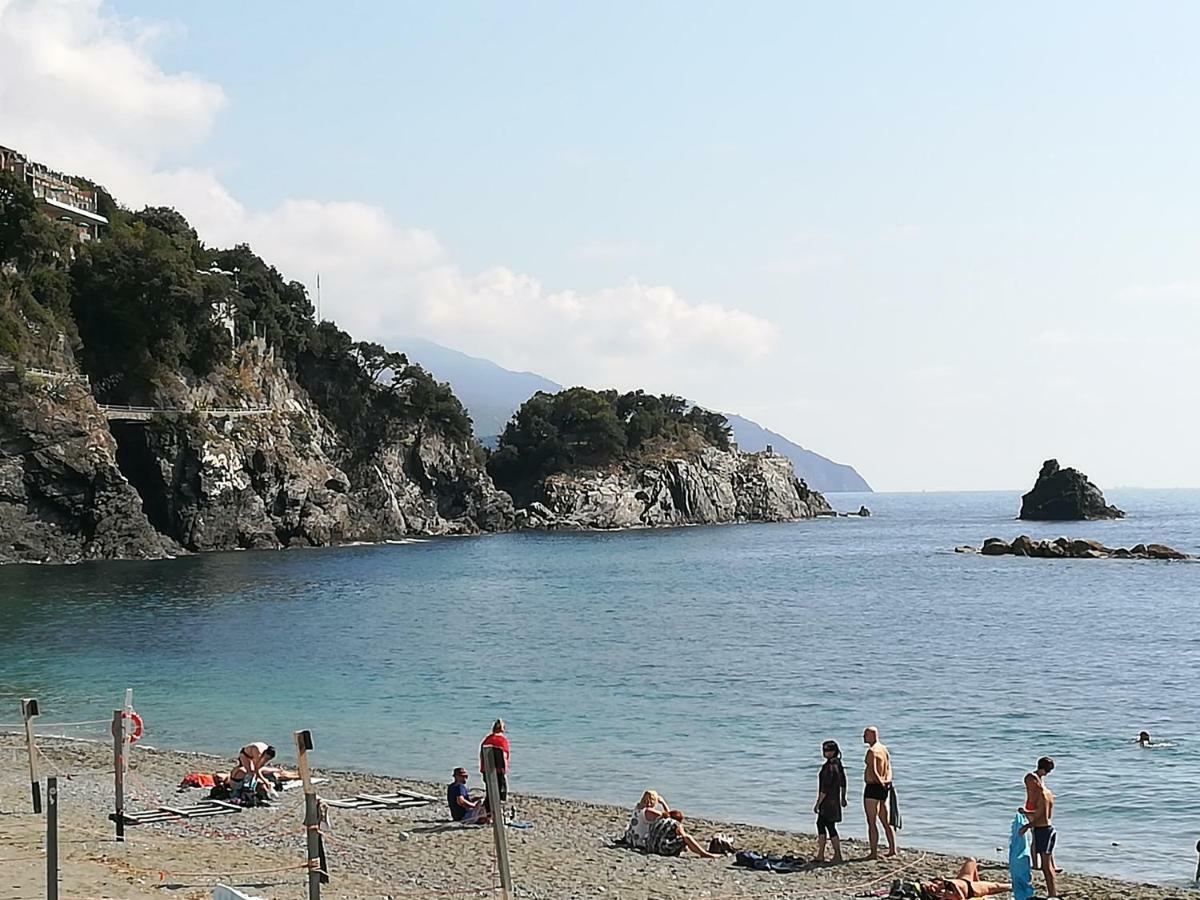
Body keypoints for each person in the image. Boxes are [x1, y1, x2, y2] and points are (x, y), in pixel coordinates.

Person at [1020, 756, 1057, 899]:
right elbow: (1041, 813)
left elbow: (1040, 817)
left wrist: (1026, 826)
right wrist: (1027, 813)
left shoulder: (1042, 793)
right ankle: (1052, 892)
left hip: (1043, 829)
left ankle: (1052, 894)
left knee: (1046, 867)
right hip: (1049, 829)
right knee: (1047, 863)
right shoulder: (1048, 793)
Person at [863, 726, 897, 858]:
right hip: (885, 786)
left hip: (873, 786)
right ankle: (893, 849)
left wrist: (880, 782)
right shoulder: (884, 749)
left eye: (865, 734)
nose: (863, 737)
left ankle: (873, 852)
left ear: (872, 735)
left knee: (871, 821)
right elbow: (888, 767)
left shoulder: (872, 751)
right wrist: (887, 782)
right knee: (885, 819)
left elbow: (873, 770)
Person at [813, 739, 847, 864]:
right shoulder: (838, 764)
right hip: (835, 801)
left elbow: (824, 788)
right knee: (830, 826)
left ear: (833, 751)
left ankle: (823, 854)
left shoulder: (829, 767)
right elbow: (844, 783)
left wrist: (818, 803)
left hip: (827, 802)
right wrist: (843, 797)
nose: (824, 752)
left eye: (827, 750)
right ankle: (834, 854)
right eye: (824, 750)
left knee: (822, 825)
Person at [916, 857, 1013, 898]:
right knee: (999, 886)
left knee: (971, 860)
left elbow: (942, 881)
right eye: (931, 889)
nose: (932, 886)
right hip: (971, 889)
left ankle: (977, 881)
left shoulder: (940, 883)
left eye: (930, 885)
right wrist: (953, 887)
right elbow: (960, 898)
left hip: (963, 879)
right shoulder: (944, 894)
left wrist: (944, 881)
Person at [645, 809, 716, 858]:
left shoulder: (659, 819)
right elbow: (683, 836)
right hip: (662, 850)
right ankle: (704, 854)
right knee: (687, 838)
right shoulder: (676, 824)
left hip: (650, 848)